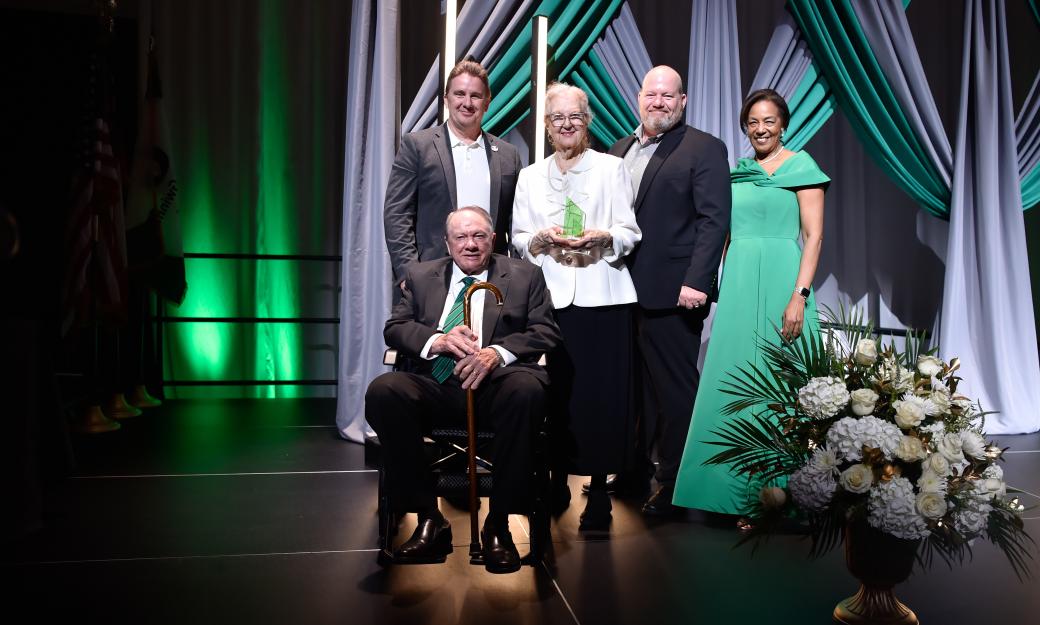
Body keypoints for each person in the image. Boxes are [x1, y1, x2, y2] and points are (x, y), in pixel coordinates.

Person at [365, 206, 561, 574]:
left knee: (528, 389)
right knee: (385, 390)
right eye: (461, 237)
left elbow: (546, 331)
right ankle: (428, 518)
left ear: (494, 239)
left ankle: (498, 524)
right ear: (447, 242)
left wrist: (496, 354)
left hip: (497, 387)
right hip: (436, 385)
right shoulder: (421, 275)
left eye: (478, 236)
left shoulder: (525, 275)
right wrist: (437, 341)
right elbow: (396, 328)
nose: (470, 245)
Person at [672, 89, 828, 518]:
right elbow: (720, 231)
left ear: (784, 124)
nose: (760, 129)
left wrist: (799, 296)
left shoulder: (802, 167)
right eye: (753, 122)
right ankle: (725, 494)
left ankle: (787, 496)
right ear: (746, 127)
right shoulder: (736, 174)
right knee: (733, 380)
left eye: (769, 121)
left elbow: (813, 237)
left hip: (783, 278)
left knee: (784, 386)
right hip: (740, 281)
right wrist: (708, 281)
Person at [511, 83, 641, 531]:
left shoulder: (612, 168)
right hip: (548, 301)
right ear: (547, 126)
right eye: (557, 118)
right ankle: (555, 479)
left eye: (575, 117)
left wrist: (604, 237)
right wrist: (541, 240)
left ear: (587, 122)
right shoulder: (530, 176)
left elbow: (629, 231)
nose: (566, 125)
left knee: (600, 399)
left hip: (601, 296)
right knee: (553, 396)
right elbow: (519, 238)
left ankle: (600, 490)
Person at [607, 66, 731, 517]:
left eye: (667, 96)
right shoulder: (619, 149)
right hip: (621, 292)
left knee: (674, 393)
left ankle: (675, 484)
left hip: (675, 292)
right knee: (633, 391)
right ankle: (634, 471)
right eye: (651, 94)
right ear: (638, 97)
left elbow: (714, 220)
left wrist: (697, 281)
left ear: (682, 101)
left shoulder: (704, 148)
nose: (657, 102)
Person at [383, 60, 523, 289]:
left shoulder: (509, 155)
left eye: (475, 96)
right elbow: (397, 214)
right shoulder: (417, 146)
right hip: (430, 280)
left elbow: (515, 222)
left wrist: (516, 277)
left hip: (492, 281)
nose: (467, 103)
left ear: (487, 102)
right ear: (446, 99)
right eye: (460, 94)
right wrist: (409, 273)